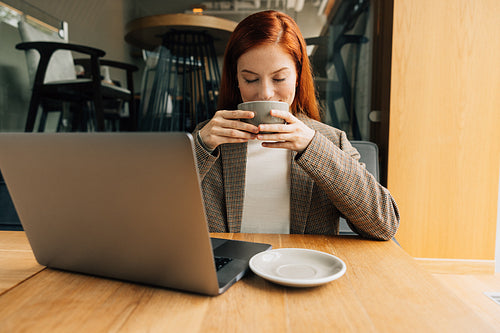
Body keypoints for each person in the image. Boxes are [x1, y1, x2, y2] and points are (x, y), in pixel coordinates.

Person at [193, 10, 399, 240]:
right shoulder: (210, 140)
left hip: (302, 271)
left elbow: (384, 225)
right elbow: (156, 220)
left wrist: (312, 147)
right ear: (236, 80)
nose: (265, 93)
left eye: (279, 78)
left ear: (298, 76)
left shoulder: (329, 141)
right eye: (250, 79)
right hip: (230, 273)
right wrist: (198, 147)